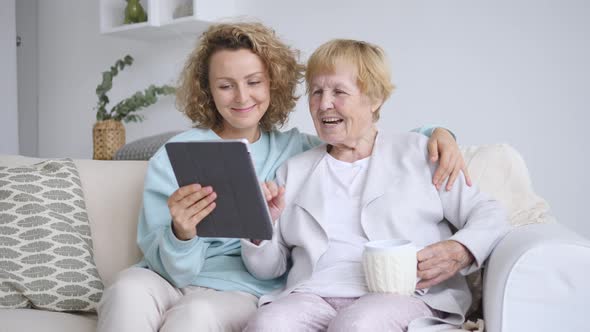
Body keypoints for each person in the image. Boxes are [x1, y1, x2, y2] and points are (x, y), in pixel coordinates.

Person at [97, 23, 468, 332]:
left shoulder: (299, 151)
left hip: (242, 287)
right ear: (208, 91)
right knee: (125, 289)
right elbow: (167, 267)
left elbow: (363, 137)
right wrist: (181, 234)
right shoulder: (176, 155)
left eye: (254, 81)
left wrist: (439, 132)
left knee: (195, 316)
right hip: (166, 276)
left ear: (273, 82)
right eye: (225, 85)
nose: (241, 96)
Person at [241, 39, 509, 332]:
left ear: (374, 98)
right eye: (316, 91)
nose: (323, 103)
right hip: (313, 294)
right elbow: (269, 268)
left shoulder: (420, 152)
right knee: (267, 323)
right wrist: (259, 230)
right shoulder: (294, 169)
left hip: (403, 293)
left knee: (356, 325)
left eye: (339, 91)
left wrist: (461, 249)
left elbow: (489, 212)